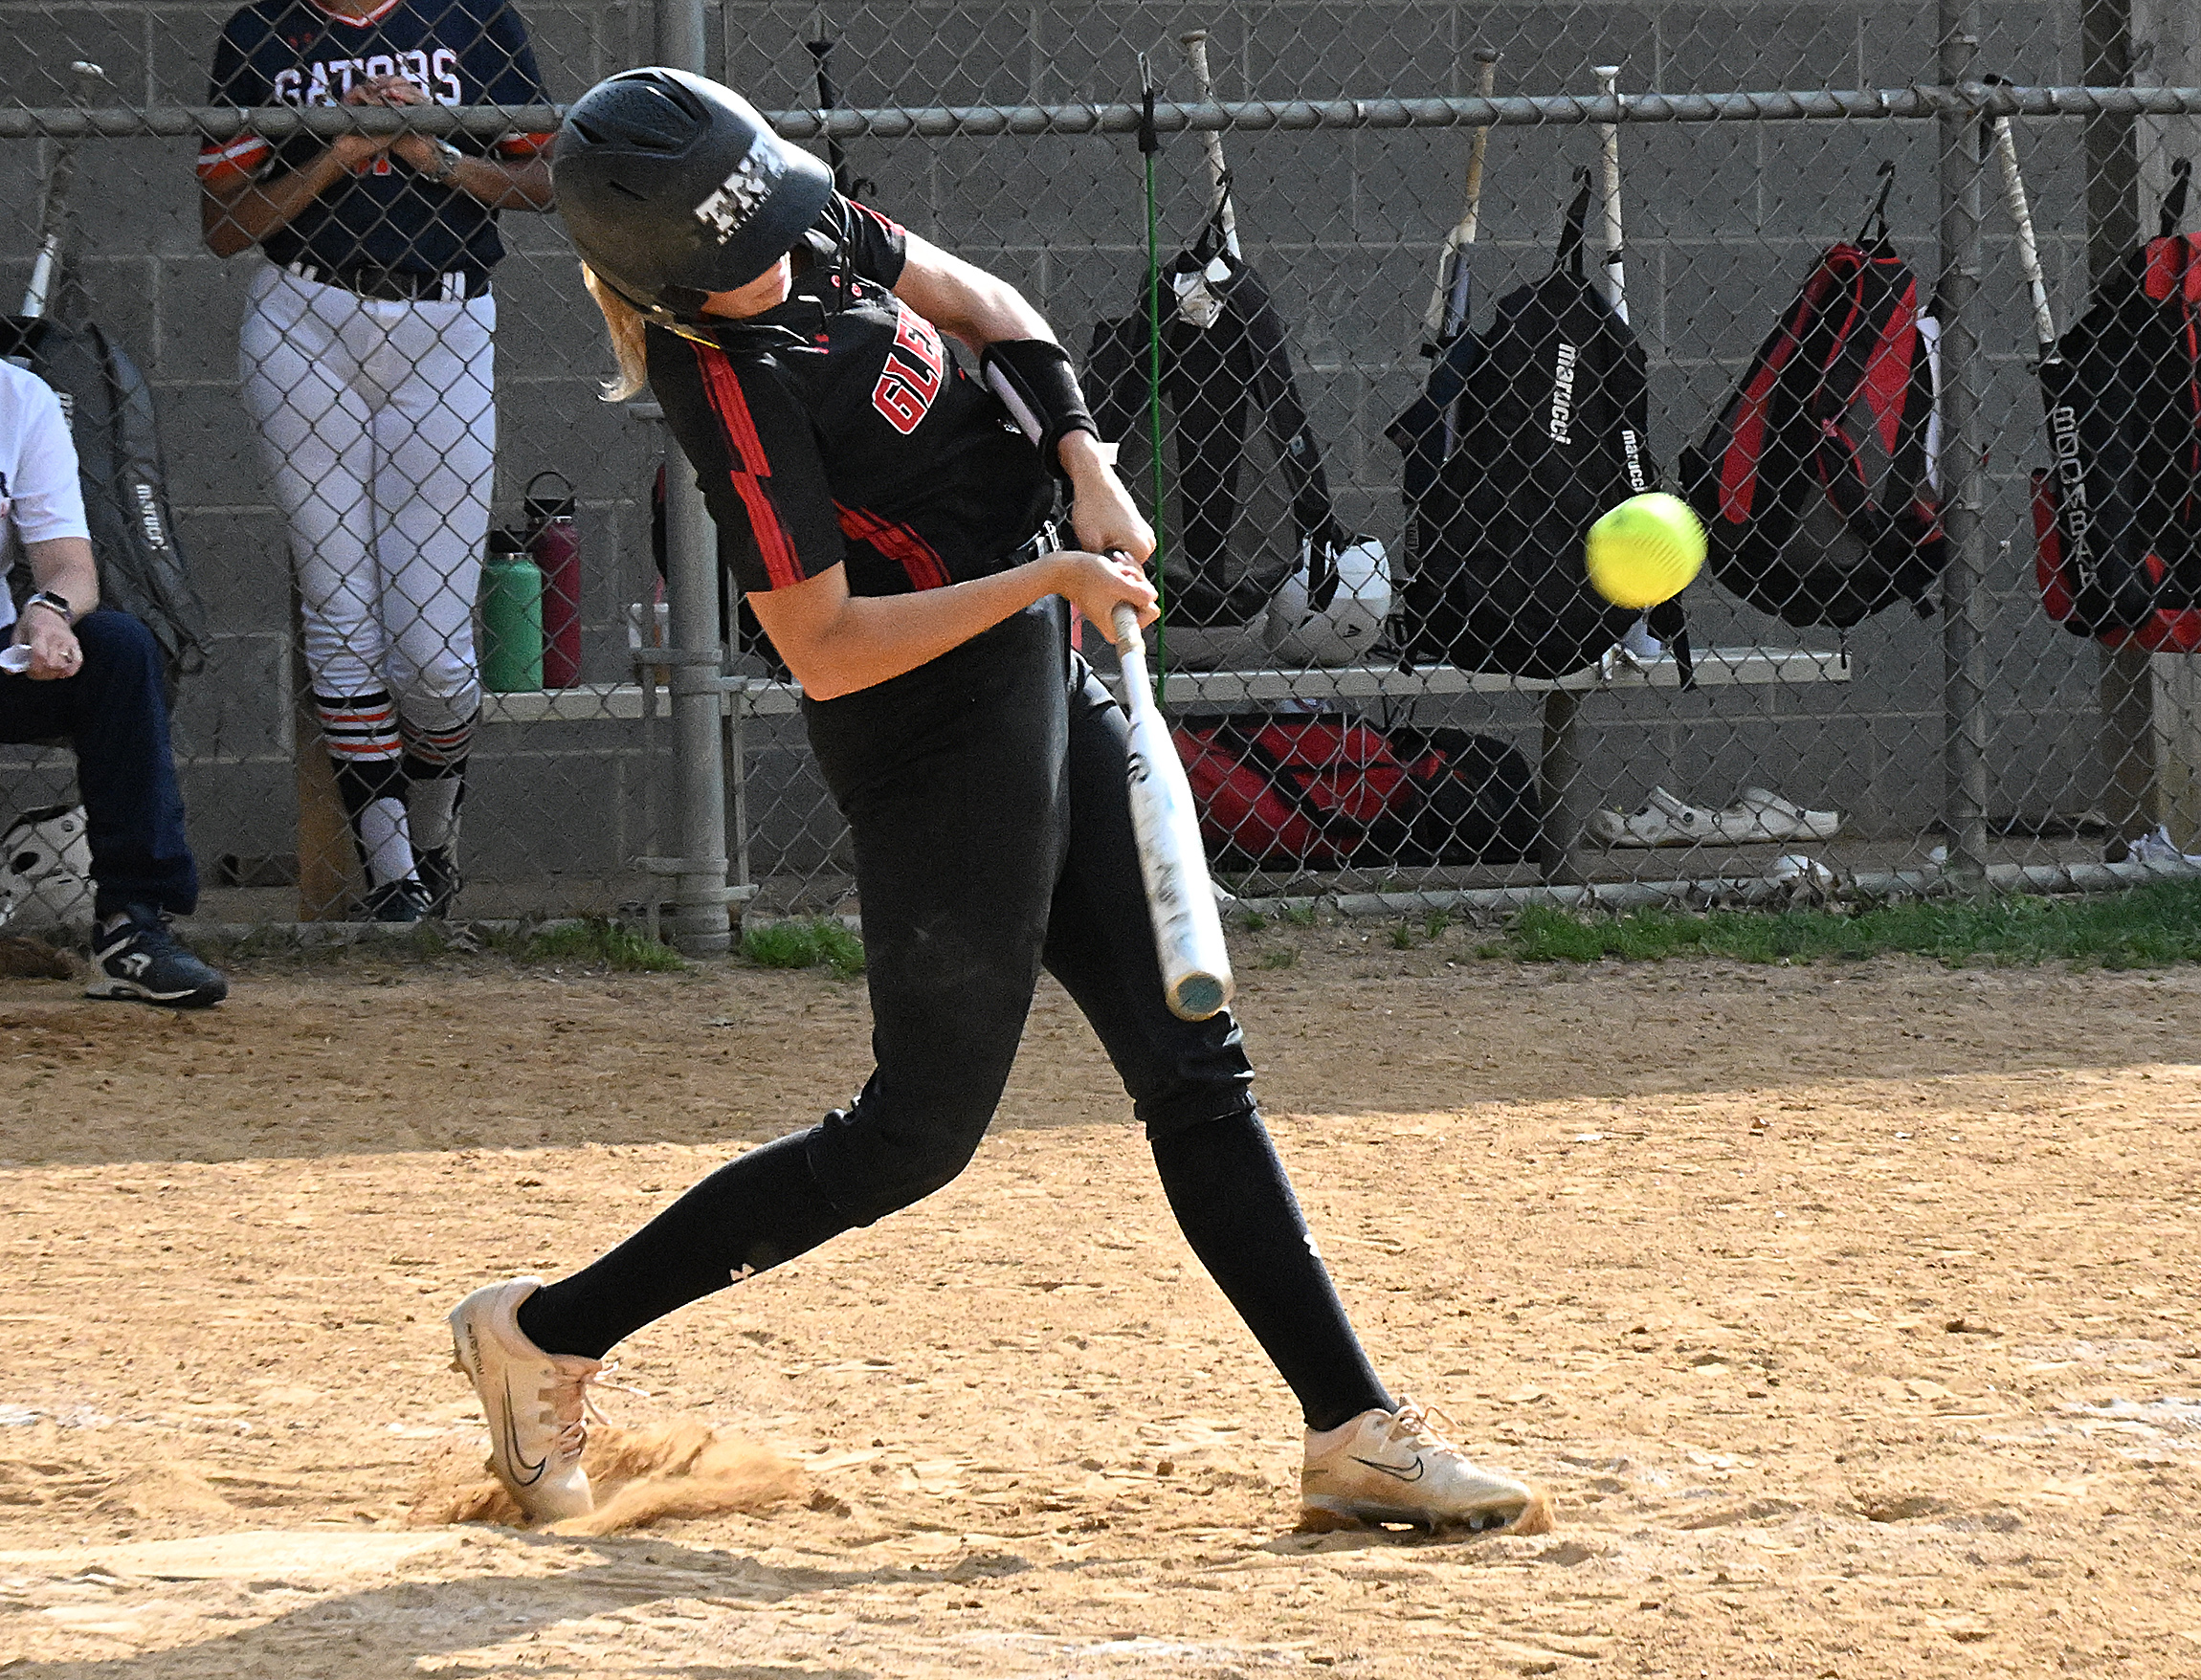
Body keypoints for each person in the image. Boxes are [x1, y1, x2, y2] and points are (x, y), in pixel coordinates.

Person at [446, 67, 1540, 1536]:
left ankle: (1352, 1428)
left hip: (1039, 656)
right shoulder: (731, 387)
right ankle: (548, 1332)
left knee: (1194, 1061)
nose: (784, 239)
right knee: (915, 1136)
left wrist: (1085, 469)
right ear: (678, 274)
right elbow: (823, 645)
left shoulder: (803, 222)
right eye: (745, 236)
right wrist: (1047, 581)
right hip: (929, 735)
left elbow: (991, 307)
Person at [197, 0, 555, 918]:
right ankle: (392, 874)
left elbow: (544, 182)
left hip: (447, 322)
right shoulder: (262, 30)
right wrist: (340, 151)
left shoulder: (475, 22)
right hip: (303, 318)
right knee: (341, 605)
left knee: (434, 654)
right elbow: (225, 226)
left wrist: (430, 152)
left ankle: (433, 842)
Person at [0, 361, 228, 1007]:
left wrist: (47, 612)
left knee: (119, 648)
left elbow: (71, 567)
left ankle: (132, 928)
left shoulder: (17, 399)